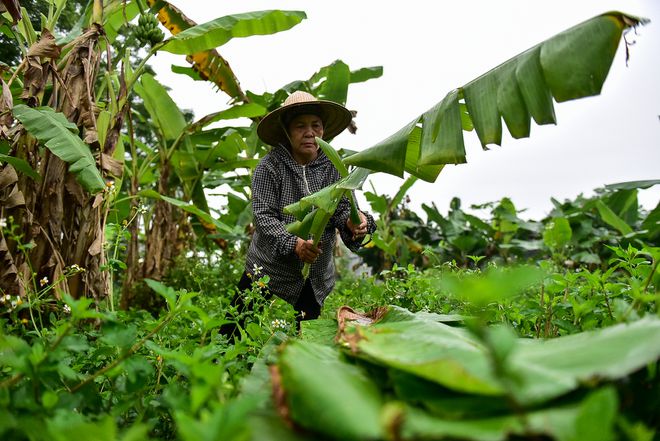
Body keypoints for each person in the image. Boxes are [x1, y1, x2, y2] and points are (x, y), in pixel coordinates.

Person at [226, 91, 376, 333]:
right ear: (287, 132)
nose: (309, 133)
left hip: (314, 272)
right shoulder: (270, 166)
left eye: (315, 125)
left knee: (308, 337)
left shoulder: (333, 166)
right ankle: (222, 367)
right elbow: (263, 217)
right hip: (269, 265)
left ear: (323, 130)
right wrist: (294, 244)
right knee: (235, 328)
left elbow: (343, 209)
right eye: (300, 126)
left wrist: (354, 224)